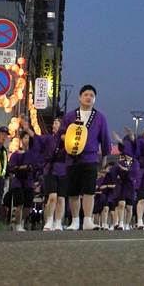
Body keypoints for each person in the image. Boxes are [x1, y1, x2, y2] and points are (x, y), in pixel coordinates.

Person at [56, 84, 111, 230]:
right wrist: (70, 138)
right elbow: (60, 134)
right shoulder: (70, 116)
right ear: (80, 97)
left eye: (92, 96)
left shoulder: (99, 117)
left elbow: (105, 137)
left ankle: (87, 220)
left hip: (91, 157)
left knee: (89, 190)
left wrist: (104, 156)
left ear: (95, 99)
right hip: (72, 158)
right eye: (86, 95)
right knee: (73, 191)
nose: (88, 97)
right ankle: (75, 221)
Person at [7, 132, 38, 231]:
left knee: (28, 206)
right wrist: (23, 167)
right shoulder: (16, 154)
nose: (27, 140)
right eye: (25, 138)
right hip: (18, 181)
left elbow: (37, 167)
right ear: (21, 139)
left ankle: (23, 220)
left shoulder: (32, 154)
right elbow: (11, 167)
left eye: (28, 138)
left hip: (29, 182)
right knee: (19, 204)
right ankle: (17, 224)